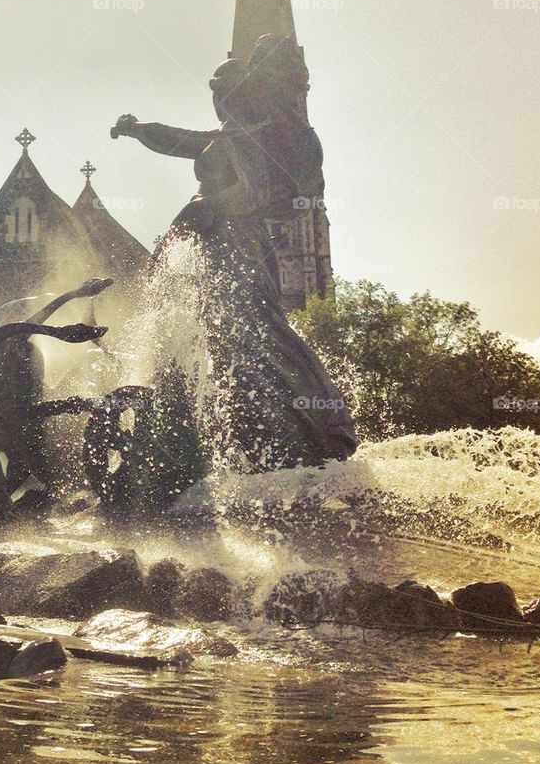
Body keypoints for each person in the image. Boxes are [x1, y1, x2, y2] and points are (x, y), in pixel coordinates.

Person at [112, 34, 357, 473]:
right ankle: (237, 426)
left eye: (222, 93)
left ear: (242, 94)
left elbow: (253, 193)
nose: (218, 101)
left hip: (239, 243)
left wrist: (205, 207)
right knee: (220, 332)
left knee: (250, 328)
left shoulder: (257, 138)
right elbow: (179, 140)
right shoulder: (233, 134)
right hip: (217, 242)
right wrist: (137, 130)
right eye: (214, 94)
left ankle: (304, 424)